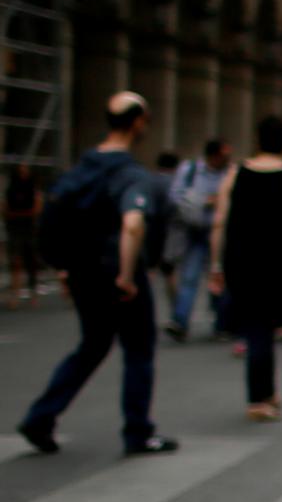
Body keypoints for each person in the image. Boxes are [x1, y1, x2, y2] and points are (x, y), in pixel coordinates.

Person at [16, 92, 178, 455]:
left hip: (81, 272)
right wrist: (125, 275)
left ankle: (41, 416)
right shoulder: (130, 173)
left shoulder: (81, 168)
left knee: (92, 345)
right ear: (138, 122)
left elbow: (58, 216)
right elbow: (133, 224)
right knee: (138, 349)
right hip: (117, 272)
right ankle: (138, 431)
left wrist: (62, 266)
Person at [207, 117, 282, 422]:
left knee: (261, 327)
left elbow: (219, 222)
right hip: (280, 265)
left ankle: (267, 391)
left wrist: (216, 263)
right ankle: (258, 399)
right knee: (263, 327)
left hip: (242, 262)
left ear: (257, 141)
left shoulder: (235, 174)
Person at [163, 139, 232, 342]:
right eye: (223, 156)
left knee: (219, 276)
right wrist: (202, 201)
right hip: (196, 230)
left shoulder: (229, 172)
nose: (226, 160)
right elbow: (175, 195)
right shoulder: (190, 170)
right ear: (213, 156)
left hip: (219, 233)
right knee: (189, 278)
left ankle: (222, 324)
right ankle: (180, 321)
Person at [5, 163, 42, 309]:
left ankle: (32, 293)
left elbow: (36, 209)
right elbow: (5, 209)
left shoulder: (32, 190)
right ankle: (16, 293)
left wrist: (18, 214)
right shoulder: (11, 190)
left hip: (28, 228)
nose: (23, 173)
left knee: (31, 261)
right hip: (15, 228)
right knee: (15, 261)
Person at [147, 153, 181, 306]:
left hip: (150, 230)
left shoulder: (150, 180)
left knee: (149, 269)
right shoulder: (175, 183)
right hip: (169, 232)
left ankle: (142, 302)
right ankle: (176, 308)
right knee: (170, 271)